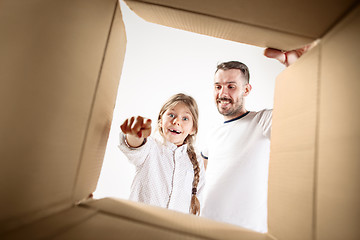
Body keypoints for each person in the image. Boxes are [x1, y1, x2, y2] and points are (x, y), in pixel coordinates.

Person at [200, 46, 311, 232]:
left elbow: (301, 108)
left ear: (247, 89)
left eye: (231, 86)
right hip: (205, 229)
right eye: (218, 87)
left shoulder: (263, 121)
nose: (223, 94)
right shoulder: (211, 133)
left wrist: (300, 68)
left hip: (248, 232)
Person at [118, 93, 205, 215]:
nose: (176, 121)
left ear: (193, 128)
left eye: (185, 118)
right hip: (139, 226)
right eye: (171, 115)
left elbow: (197, 203)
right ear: (160, 121)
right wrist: (135, 133)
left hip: (173, 231)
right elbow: (135, 146)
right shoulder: (151, 147)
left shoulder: (197, 162)